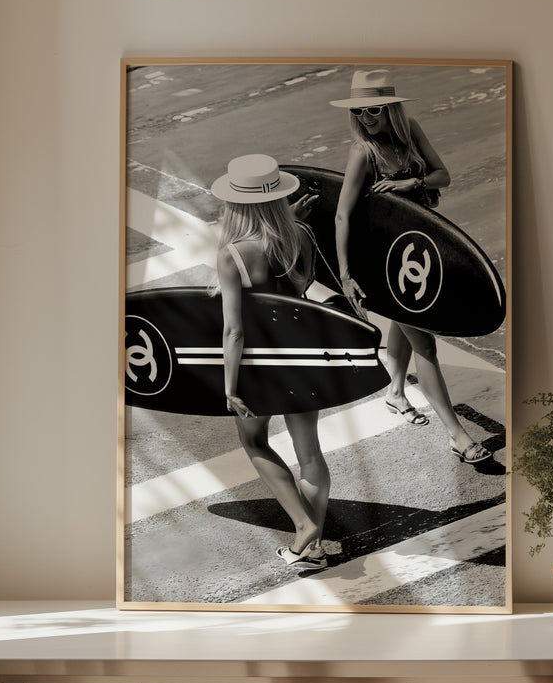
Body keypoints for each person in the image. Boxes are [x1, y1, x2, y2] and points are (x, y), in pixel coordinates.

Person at [331, 70, 491, 464]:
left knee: (407, 326)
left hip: (416, 253)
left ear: (391, 108)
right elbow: (342, 216)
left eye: (374, 109)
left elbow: (443, 175)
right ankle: (457, 435)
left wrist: (409, 184)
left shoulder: (409, 132)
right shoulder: (362, 153)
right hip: (382, 261)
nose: (367, 118)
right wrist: (346, 275)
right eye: (360, 111)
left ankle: (396, 392)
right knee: (426, 343)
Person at [210, 153, 331, 569]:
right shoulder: (302, 234)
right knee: (309, 452)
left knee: (254, 440)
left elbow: (235, 330)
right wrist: (290, 221)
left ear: (235, 204)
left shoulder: (233, 254)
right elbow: (297, 287)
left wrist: (229, 386)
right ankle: (311, 549)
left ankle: (303, 526)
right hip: (303, 355)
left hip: (261, 364)